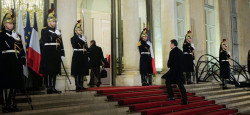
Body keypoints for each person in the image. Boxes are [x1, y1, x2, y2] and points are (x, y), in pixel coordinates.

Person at [0, 11, 25, 113]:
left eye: (13, 23)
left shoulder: (16, 35)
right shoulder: (1, 35)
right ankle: (6, 105)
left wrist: (22, 58)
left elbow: (21, 49)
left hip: (16, 62)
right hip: (5, 62)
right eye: (10, 23)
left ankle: (12, 103)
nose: (12, 25)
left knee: (15, 83)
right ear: (5, 24)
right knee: (6, 83)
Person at [39, 8, 65, 94]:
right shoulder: (44, 30)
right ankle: (49, 87)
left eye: (55, 22)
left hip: (56, 53)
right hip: (48, 53)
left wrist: (62, 53)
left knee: (55, 71)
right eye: (53, 22)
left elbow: (60, 43)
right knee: (49, 71)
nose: (54, 23)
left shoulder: (56, 31)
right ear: (49, 22)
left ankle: (53, 87)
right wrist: (55, 34)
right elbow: (48, 39)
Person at [162, 39, 188, 105]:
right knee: (181, 86)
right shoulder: (180, 51)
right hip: (179, 72)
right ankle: (185, 100)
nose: (170, 45)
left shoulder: (172, 52)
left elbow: (170, 62)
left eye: (170, 44)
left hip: (173, 71)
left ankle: (171, 96)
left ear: (173, 44)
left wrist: (169, 65)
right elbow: (183, 62)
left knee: (167, 81)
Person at [71, 20, 89, 91]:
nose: (80, 31)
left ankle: (81, 85)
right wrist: (83, 41)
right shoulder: (73, 38)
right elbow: (78, 45)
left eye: (81, 30)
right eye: (79, 30)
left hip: (83, 54)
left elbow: (86, 47)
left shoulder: (83, 37)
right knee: (77, 71)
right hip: (77, 54)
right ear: (76, 31)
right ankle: (77, 85)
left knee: (82, 71)